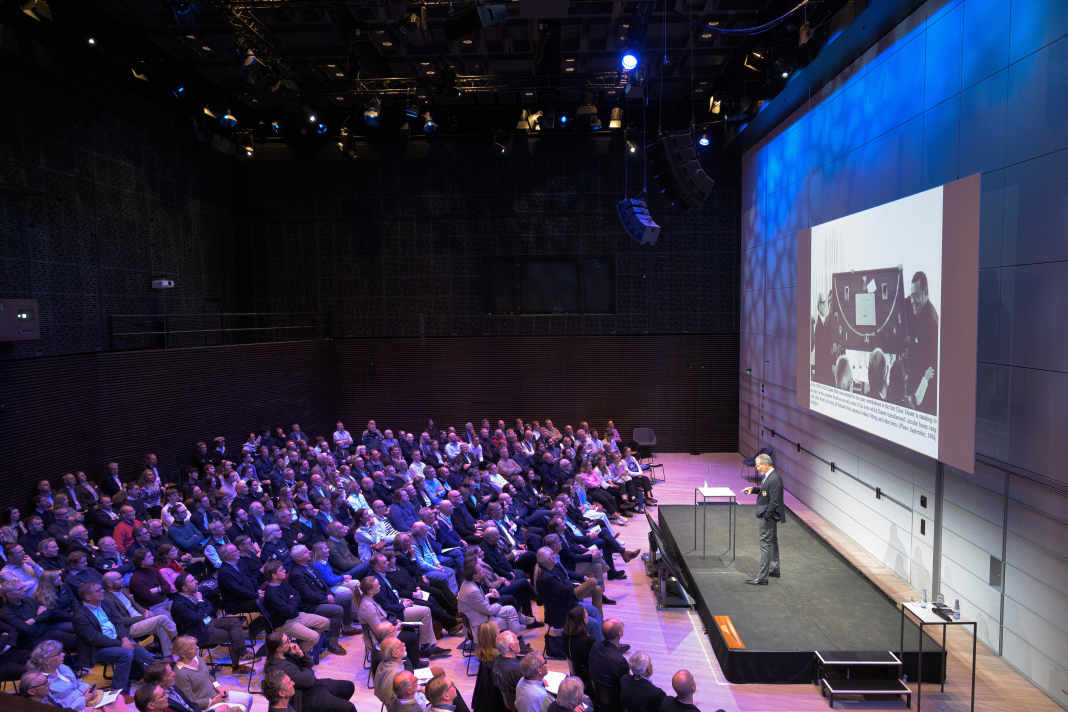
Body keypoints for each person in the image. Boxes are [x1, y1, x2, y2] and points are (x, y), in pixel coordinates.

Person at [72, 581, 155, 693]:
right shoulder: (80, 615)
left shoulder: (105, 604)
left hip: (118, 641)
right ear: (87, 597)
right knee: (126, 653)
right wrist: (121, 643)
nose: (102, 591)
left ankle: (154, 676)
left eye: (101, 589)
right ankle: (118, 690)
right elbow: (94, 639)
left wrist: (124, 639)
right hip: (97, 649)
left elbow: (118, 622)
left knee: (140, 652)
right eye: (98, 590)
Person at [170, 572, 251, 673]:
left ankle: (242, 653)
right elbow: (197, 619)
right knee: (234, 634)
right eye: (192, 581)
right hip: (197, 632)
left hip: (208, 622)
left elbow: (210, 607)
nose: (196, 581)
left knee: (234, 621)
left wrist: (202, 608)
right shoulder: (178, 604)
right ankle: (237, 665)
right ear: (184, 588)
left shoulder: (195, 593)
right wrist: (200, 602)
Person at [262, 631, 355, 712]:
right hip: (303, 698)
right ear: (278, 648)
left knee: (348, 687)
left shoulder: (287, 653)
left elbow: (310, 664)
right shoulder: (280, 667)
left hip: (312, 686)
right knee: (349, 708)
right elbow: (308, 680)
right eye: (287, 642)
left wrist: (301, 654)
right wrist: (308, 670)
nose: (290, 642)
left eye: (289, 639)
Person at [261, 559, 330, 654]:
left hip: (296, 615)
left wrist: (291, 600)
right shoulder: (271, 594)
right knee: (314, 637)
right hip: (284, 624)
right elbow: (289, 611)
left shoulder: (282, 583)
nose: (285, 570)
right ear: (274, 575)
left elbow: (297, 595)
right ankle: (298, 654)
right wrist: (292, 600)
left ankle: (301, 645)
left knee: (325, 622)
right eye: (281, 570)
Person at [101, 570, 176, 657]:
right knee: (162, 618)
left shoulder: (124, 590)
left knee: (161, 627)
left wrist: (145, 611)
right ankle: (179, 641)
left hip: (141, 619)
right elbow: (121, 621)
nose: (123, 580)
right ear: (109, 584)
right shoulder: (107, 600)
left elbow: (135, 605)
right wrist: (143, 617)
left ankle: (169, 655)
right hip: (130, 627)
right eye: (119, 579)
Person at [172, 635, 254, 712]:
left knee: (248, 698)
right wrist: (212, 701)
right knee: (241, 708)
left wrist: (219, 687)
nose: (197, 648)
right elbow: (190, 702)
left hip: (217, 694)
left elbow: (209, 676)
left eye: (196, 645)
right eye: (192, 648)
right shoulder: (180, 673)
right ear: (183, 654)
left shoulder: (196, 658)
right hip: (206, 705)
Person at [741, 453, 785, 585]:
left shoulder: (774, 479)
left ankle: (762, 577)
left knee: (765, 545)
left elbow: (774, 501)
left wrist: (766, 516)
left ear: (766, 465)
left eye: (758, 465)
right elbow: (766, 491)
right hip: (769, 514)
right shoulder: (769, 477)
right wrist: (754, 490)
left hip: (768, 516)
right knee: (772, 541)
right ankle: (774, 568)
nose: (756, 468)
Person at [26, 639, 101, 711]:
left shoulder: (63, 667)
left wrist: (88, 689)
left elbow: (77, 684)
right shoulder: (43, 683)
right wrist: (85, 699)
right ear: (47, 661)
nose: (63, 654)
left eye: (61, 651)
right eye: (58, 654)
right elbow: (63, 707)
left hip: (86, 701)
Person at [458, 560, 525, 636]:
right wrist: (500, 602)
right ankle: (517, 643)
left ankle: (516, 641)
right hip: (479, 626)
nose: (483, 570)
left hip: (478, 617)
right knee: (510, 610)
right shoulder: (472, 590)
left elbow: (478, 603)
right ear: (475, 576)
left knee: (510, 609)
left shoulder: (467, 583)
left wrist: (489, 595)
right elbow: (489, 611)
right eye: (480, 570)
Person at [904, 270, 938, 414]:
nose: (912, 301)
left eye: (916, 296)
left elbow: (930, 370)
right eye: (912, 296)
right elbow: (905, 301)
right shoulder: (915, 308)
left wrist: (916, 399)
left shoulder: (931, 322)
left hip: (923, 399)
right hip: (913, 389)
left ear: (925, 292)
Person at [587, 619, 628, 708]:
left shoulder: (595, 646)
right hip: (614, 702)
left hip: (596, 695)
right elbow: (625, 688)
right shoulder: (621, 661)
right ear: (620, 634)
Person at [472, 621, 508, 712]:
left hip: (484, 704)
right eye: (498, 632)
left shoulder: (483, 656)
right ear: (494, 637)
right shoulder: (499, 661)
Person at [562, 606, 594, 691]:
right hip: (587, 678)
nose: (588, 616)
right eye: (586, 614)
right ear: (583, 619)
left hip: (574, 672)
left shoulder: (565, 635)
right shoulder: (588, 640)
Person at [491, 631, 523, 712]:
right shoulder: (516, 669)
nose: (518, 641)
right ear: (511, 646)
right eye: (516, 639)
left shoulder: (497, 661)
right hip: (518, 705)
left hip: (506, 703)